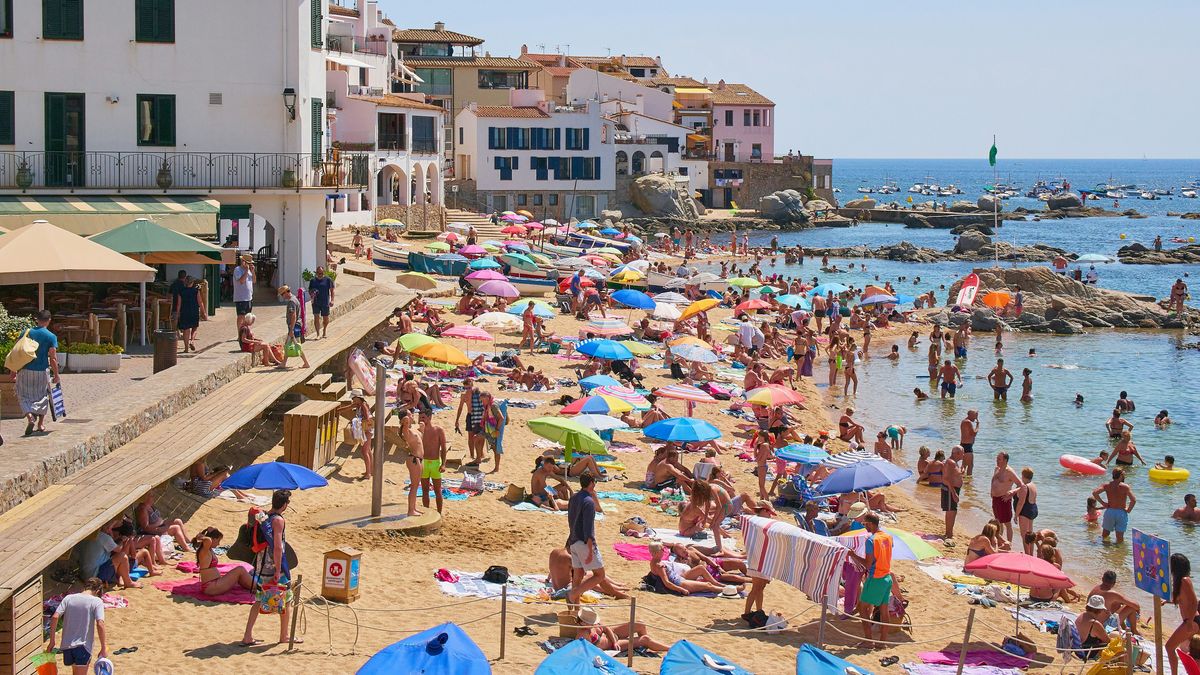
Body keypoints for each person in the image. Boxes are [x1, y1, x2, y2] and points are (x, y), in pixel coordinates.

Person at [242, 489, 299, 646]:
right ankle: (284, 635)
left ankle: (247, 635)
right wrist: (279, 569)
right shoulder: (278, 521)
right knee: (287, 599)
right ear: (285, 505)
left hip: (261, 565)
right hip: (274, 567)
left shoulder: (263, 516)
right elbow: (278, 547)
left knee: (259, 600)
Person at [47, 577, 108, 675]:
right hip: (83, 646)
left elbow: (55, 617)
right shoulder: (96, 601)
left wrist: (52, 641)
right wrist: (103, 647)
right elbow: (100, 623)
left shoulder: (68, 598)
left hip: (66, 646)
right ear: (97, 591)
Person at [850, 513, 893, 646]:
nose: (864, 527)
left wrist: (853, 555)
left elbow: (868, 564)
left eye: (865, 524)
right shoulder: (888, 537)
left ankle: (868, 640)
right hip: (887, 577)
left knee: (863, 609)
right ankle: (882, 642)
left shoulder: (871, 540)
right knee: (884, 611)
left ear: (871, 524)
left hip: (875, 578)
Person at [15, 310, 60, 437]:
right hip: (41, 370)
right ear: (49, 320)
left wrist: (13, 370)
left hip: (25, 370)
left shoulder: (26, 333)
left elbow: (16, 352)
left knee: (23, 395)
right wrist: (56, 374)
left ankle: (29, 417)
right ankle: (40, 423)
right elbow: (53, 358)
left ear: (37, 319)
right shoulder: (51, 336)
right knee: (42, 396)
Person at [566, 473, 605, 606]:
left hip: (573, 541)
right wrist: (590, 549)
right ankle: (573, 595)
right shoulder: (588, 501)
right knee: (600, 575)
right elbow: (588, 527)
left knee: (578, 575)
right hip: (583, 542)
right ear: (591, 483)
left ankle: (576, 607)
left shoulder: (574, 497)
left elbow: (571, 520)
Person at [646, 541, 728, 595]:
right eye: (662, 549)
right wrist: (681, 590)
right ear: (656, 552)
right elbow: (667, 583)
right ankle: (728, 591)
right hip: (680, 583)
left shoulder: (656, 562)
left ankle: (720, 586)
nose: (664, 551)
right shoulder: (659, 566)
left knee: (702, 572)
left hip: (680, 579)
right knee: (708, 585)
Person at [192, 527, 253, 596]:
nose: (218, 544)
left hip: (214, 584)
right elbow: (208, 540)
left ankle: (254, 586)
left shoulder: (208, 550)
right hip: (211, 586)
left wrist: (211, 530)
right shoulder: (204, 551)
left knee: (240, 575)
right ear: (212, 539)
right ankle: (259, 587)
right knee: (240, 569)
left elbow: (209, 539)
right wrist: (201, 536)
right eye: (218, 541)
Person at [1168, 554, 1199, 675]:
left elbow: (1194, 601)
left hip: (1193, 621)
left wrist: (1190, 621)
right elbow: (1183, 600)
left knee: (1170, 647)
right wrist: (1167, 601)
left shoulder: (1185, 580)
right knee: (1192, 652)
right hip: (1190, 620)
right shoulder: (1179, 582)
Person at [1089, 569, 1142, 636]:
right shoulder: (1112, 594)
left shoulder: (1095, 588)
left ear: (1102, 579)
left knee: (1118, 604)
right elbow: (1136, 605)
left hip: (1090, 620)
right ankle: (1134, 630)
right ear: (1114, 583)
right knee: (1131, 607)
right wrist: (1138, 611)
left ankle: (1125, 628)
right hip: (1104, 624)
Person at [338, 390, 373, 480]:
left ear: (358, 398)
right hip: (366, 429)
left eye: (353, 398)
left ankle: (368, 474)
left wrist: (357, 422)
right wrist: (337, 410)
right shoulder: (358, 405)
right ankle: (370, 470)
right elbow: (347, 408)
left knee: (364, 451)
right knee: (368, 450)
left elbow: (367, 418)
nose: (352, 400)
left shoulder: (363, 405)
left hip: (366, 430)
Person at [1093, 468, 1135, 544]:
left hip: (1110, 511)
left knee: (1105, 535)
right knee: (1119, 538)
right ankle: (1118, 553)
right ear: (1121, 476)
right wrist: (1128, 510)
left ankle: (1104, 552)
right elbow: (1133, 500)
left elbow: (1095, 493)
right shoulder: (1125, 487)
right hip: (1121, 513)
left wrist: (1103, 503)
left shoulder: (1107, 485)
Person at [990, 452, 1023, 543]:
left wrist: (1012, 493)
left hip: (1004, 499)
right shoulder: (997, 468)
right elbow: (993, 480)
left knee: (1007, 523)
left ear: (1005, 460)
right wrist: (991, 490)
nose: (997, 461)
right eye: (997, 459)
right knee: (998, 522)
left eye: (999, 459)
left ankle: (1009, 543)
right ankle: (1000, 542)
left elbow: (1021, 485)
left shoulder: (1009, 472)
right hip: (995, 499)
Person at [419, 410, 447, 513]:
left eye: (423, 418)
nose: (421, 420)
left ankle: (439, 513)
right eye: (420, 418)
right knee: (425, 490)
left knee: (437, 490)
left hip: (435, 463)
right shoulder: (419, 431)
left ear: (429, 417)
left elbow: (443, 448)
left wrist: (443, 464)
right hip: (424, 463)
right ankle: (427, 512)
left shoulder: (438, 430)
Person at [397, 410, 424, 517]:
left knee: (416, 486)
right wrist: (405, 421)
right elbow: (404, 428)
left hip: (418, 459)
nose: (412, 416)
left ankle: (413, 508)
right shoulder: (406, 430)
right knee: (414, 486)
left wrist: (422, 428)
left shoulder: (414, 430)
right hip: (414, 459)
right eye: (410, 414)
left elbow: (420, 439)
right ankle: (410, 510)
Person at [277, 286, 310, 369]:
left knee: (296, 345)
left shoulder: (291, 302)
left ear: (286, 292)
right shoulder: (295, 298)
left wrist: (291, 329)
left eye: (282, 295)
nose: (282, 297)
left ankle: (306, 363)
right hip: (296, 325)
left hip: (294, 326)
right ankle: (284, 363)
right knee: (288, 344)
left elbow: (293, 315)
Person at [173, 276, 205, 352]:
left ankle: (186, 348)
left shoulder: (181, 291)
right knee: (194, 328)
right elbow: (200, 302)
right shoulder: (196, 291)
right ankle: (192, 341)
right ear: (192, 283)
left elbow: (178, 304)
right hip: (194, 311)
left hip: (184, 311)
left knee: (186, 330)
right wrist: (203, 312)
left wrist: (177, 314)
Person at [1075, 595, 1111, 661]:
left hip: (1076, 649)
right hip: (1087, 652)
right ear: (1100, 610)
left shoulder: (1082, 615)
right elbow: (1108, 641)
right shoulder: (1094, 624)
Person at [1012, 467, 1038, 554]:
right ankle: (1031, 554)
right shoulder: (1033, 485)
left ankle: (1027, 554)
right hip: (1032, 509)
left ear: (1023, 476)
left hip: (1025, 511)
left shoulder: (1024, 487)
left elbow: (1021, 503)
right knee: (1030, 534)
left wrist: (1016, 515)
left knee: (1024, 535)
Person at [480, 391, 507, 474]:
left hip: (493, 429)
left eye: (483, 400)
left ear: (488, 399)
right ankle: (479, 458)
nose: (482, 402)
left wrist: (497, 430)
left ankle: (496, 468)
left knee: (496, 449)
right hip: (489, 428)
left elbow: (501, 418)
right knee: (477, 438)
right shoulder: (488, 405)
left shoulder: (493, 405)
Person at [942, 446, 964, 538]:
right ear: (957, 453)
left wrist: (961, 472)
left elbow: (954, 474)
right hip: (950, 489)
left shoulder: (954, 462)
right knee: (951, 511)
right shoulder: (950, 462)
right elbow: (946, 479)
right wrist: (954, 493)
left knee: (952, 511)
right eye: (962, 453)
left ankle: (949, 532)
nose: (963, 455)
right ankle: (949, 533)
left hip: (952, 489)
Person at [307, 266, 335, 339]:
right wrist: (312, 294)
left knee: (325, 318)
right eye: (319, 273)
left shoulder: (328, 280)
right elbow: (310, 290)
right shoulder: (313, 281)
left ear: (324, 272)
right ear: (316, 272)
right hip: (315, 302)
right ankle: (318, 334)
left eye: (321, 273)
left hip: (325, 302)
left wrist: (332, 300)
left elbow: (332, 290)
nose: (320, 274)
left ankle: (324, 330)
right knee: (316, 317)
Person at [960, 410, 979, 476]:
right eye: (975, 416)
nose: (976, 418)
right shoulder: (968, 422)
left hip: (964, 444)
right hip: (967, 446)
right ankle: (968, 481)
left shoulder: (964, 421)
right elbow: (973, 434)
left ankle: (962, 478)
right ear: (970, 415)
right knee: (970, 465)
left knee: (964, 464)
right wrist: (977, 425)